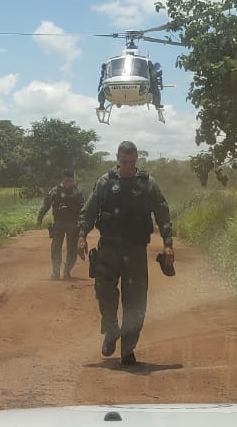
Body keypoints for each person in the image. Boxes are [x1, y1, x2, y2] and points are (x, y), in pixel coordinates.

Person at [77, 141, 173, 366]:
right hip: (108, 249)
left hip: (136, 251)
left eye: (132, 162)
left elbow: (163, 213)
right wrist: (81, 236)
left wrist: (168, 244)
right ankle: (111, 330)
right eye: (124, 162)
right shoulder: (105, 182)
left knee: (136, 302)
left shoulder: (147, 184)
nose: (128, 166)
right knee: (104, 293)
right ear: (118, 159)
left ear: (137, 159)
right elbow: (89, 211)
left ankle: (128, 350)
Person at [36, 169, 85, 280]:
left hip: (73, 224)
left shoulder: (78, 192)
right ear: (63, 180)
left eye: (71, 181)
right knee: (55, 248)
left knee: (72, 249)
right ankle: (56, 272)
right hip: (59, 223)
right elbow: (46, 205)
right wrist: (40, 218)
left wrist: (82, 224)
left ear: (74, 180)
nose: (69, 183)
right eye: (66, 181)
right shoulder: (55, 191)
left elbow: (83, 209)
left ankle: (67, 271)